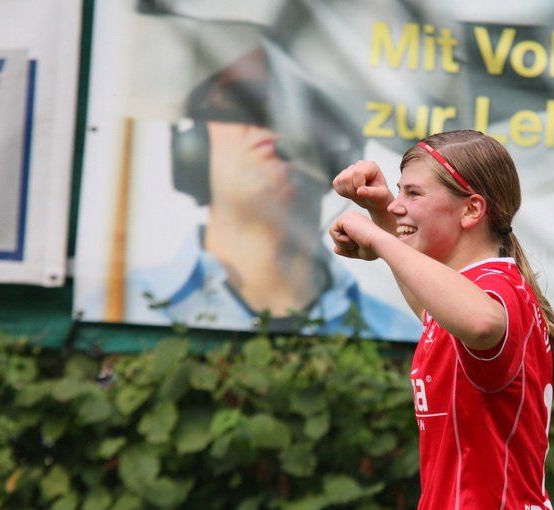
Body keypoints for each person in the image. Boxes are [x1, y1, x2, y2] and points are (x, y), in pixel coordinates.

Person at [330, 130, 554, 510]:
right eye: (400, 192)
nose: (399, 205)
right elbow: (435, 307)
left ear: (472, 210)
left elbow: (479, 321)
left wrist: (378, 238)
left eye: (413, 193)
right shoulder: (475, 295)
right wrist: (380, 213)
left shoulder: (493, 294)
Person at [119, 46, 422, 341]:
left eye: (296, 106)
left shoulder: (406, 330)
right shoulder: (121, 301)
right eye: (243, 102)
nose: (271, 122)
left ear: (339, 152)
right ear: (192, 147)